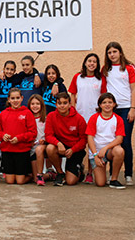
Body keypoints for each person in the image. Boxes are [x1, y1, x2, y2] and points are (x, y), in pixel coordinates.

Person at [103, 42, 135, 186]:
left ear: (120, 53)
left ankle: (128, 174)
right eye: (109, 52)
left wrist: (133, 108)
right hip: (111, 109)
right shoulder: (105, 69)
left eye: (114, 51)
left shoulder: (129, 68)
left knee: (125, 141)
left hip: (126, 109)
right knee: (113, 143)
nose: (112, 55)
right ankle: (113, 173)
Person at [68, 53, 106, 184]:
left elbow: (104, 97)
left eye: (94, 62)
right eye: (89, 61)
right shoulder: (77, 77)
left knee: (92, 145)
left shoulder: (100, 79)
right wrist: (73, 110)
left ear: (97, 65)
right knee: (79, 143)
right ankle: (78, 168)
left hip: (95, 118)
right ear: (85, 63)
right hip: (80, 116)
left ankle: (90, 173)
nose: (92, 64)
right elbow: (72, 94)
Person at [0, 88, 37, 185]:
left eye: (17, 98)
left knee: (20, 181)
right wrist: (3, 136)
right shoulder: (3, 114)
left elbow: (33, 133)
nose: (15, 101)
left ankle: (30, 176)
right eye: (13, 98)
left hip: (22, 151)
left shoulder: (27, 113)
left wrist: (19, 138)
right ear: (8, 99)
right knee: (10, 181)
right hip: (7, 151)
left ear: (22, 98)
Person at [45, 92, 87, 186]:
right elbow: (48, 135)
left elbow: (84, 140)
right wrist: (58, 144)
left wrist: (73, 149)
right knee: (50, 148)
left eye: (65, 103)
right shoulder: (51, 116)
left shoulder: (79, 119)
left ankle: (79, 170)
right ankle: (60, 173)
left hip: (74, 148)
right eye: (59, 103)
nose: (62, 106)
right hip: (60, 146)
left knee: (70, 182)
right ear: (56, 104)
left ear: (69, 104)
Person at [85, 93, 126, 189]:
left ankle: (114, 179)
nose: (107, 105)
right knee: (100, 183)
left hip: (110, 151)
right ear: (100, 105)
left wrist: (106, 148)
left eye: (110, 102)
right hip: (97, 153)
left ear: (114, 104)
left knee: (119, 151)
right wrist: (95, 155)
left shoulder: (118, 119)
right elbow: (90, 138)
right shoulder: (94, 118)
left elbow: (119, 139)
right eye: (104, 102)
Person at [27, 94, 50, 186]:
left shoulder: (46, 119)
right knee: (33, 178)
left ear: (42, 105)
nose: (35, 106)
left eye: (37, 104)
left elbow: (49, 133)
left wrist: (44, 140)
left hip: (42, 147)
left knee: (39, 149)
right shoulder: (27, 118)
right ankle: (48, 175)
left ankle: (41, 175)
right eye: (32, 104)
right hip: (31, 148)